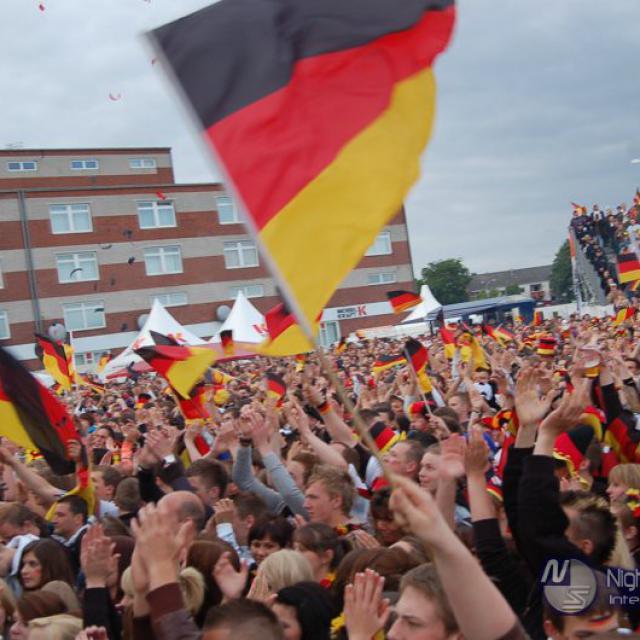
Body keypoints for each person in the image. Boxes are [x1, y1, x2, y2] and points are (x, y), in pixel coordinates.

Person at [303, 466, 356, 531]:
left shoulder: (356, 535)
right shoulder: (338, 532)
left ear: (336, 501)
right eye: (306, 497)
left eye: (313, 497)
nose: (305, 505)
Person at [50, 494, 90, 571]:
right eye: (54, 515)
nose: (53, 521)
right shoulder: (58, 542)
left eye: (60, 515)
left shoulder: (88, 543)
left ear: (78, 518)